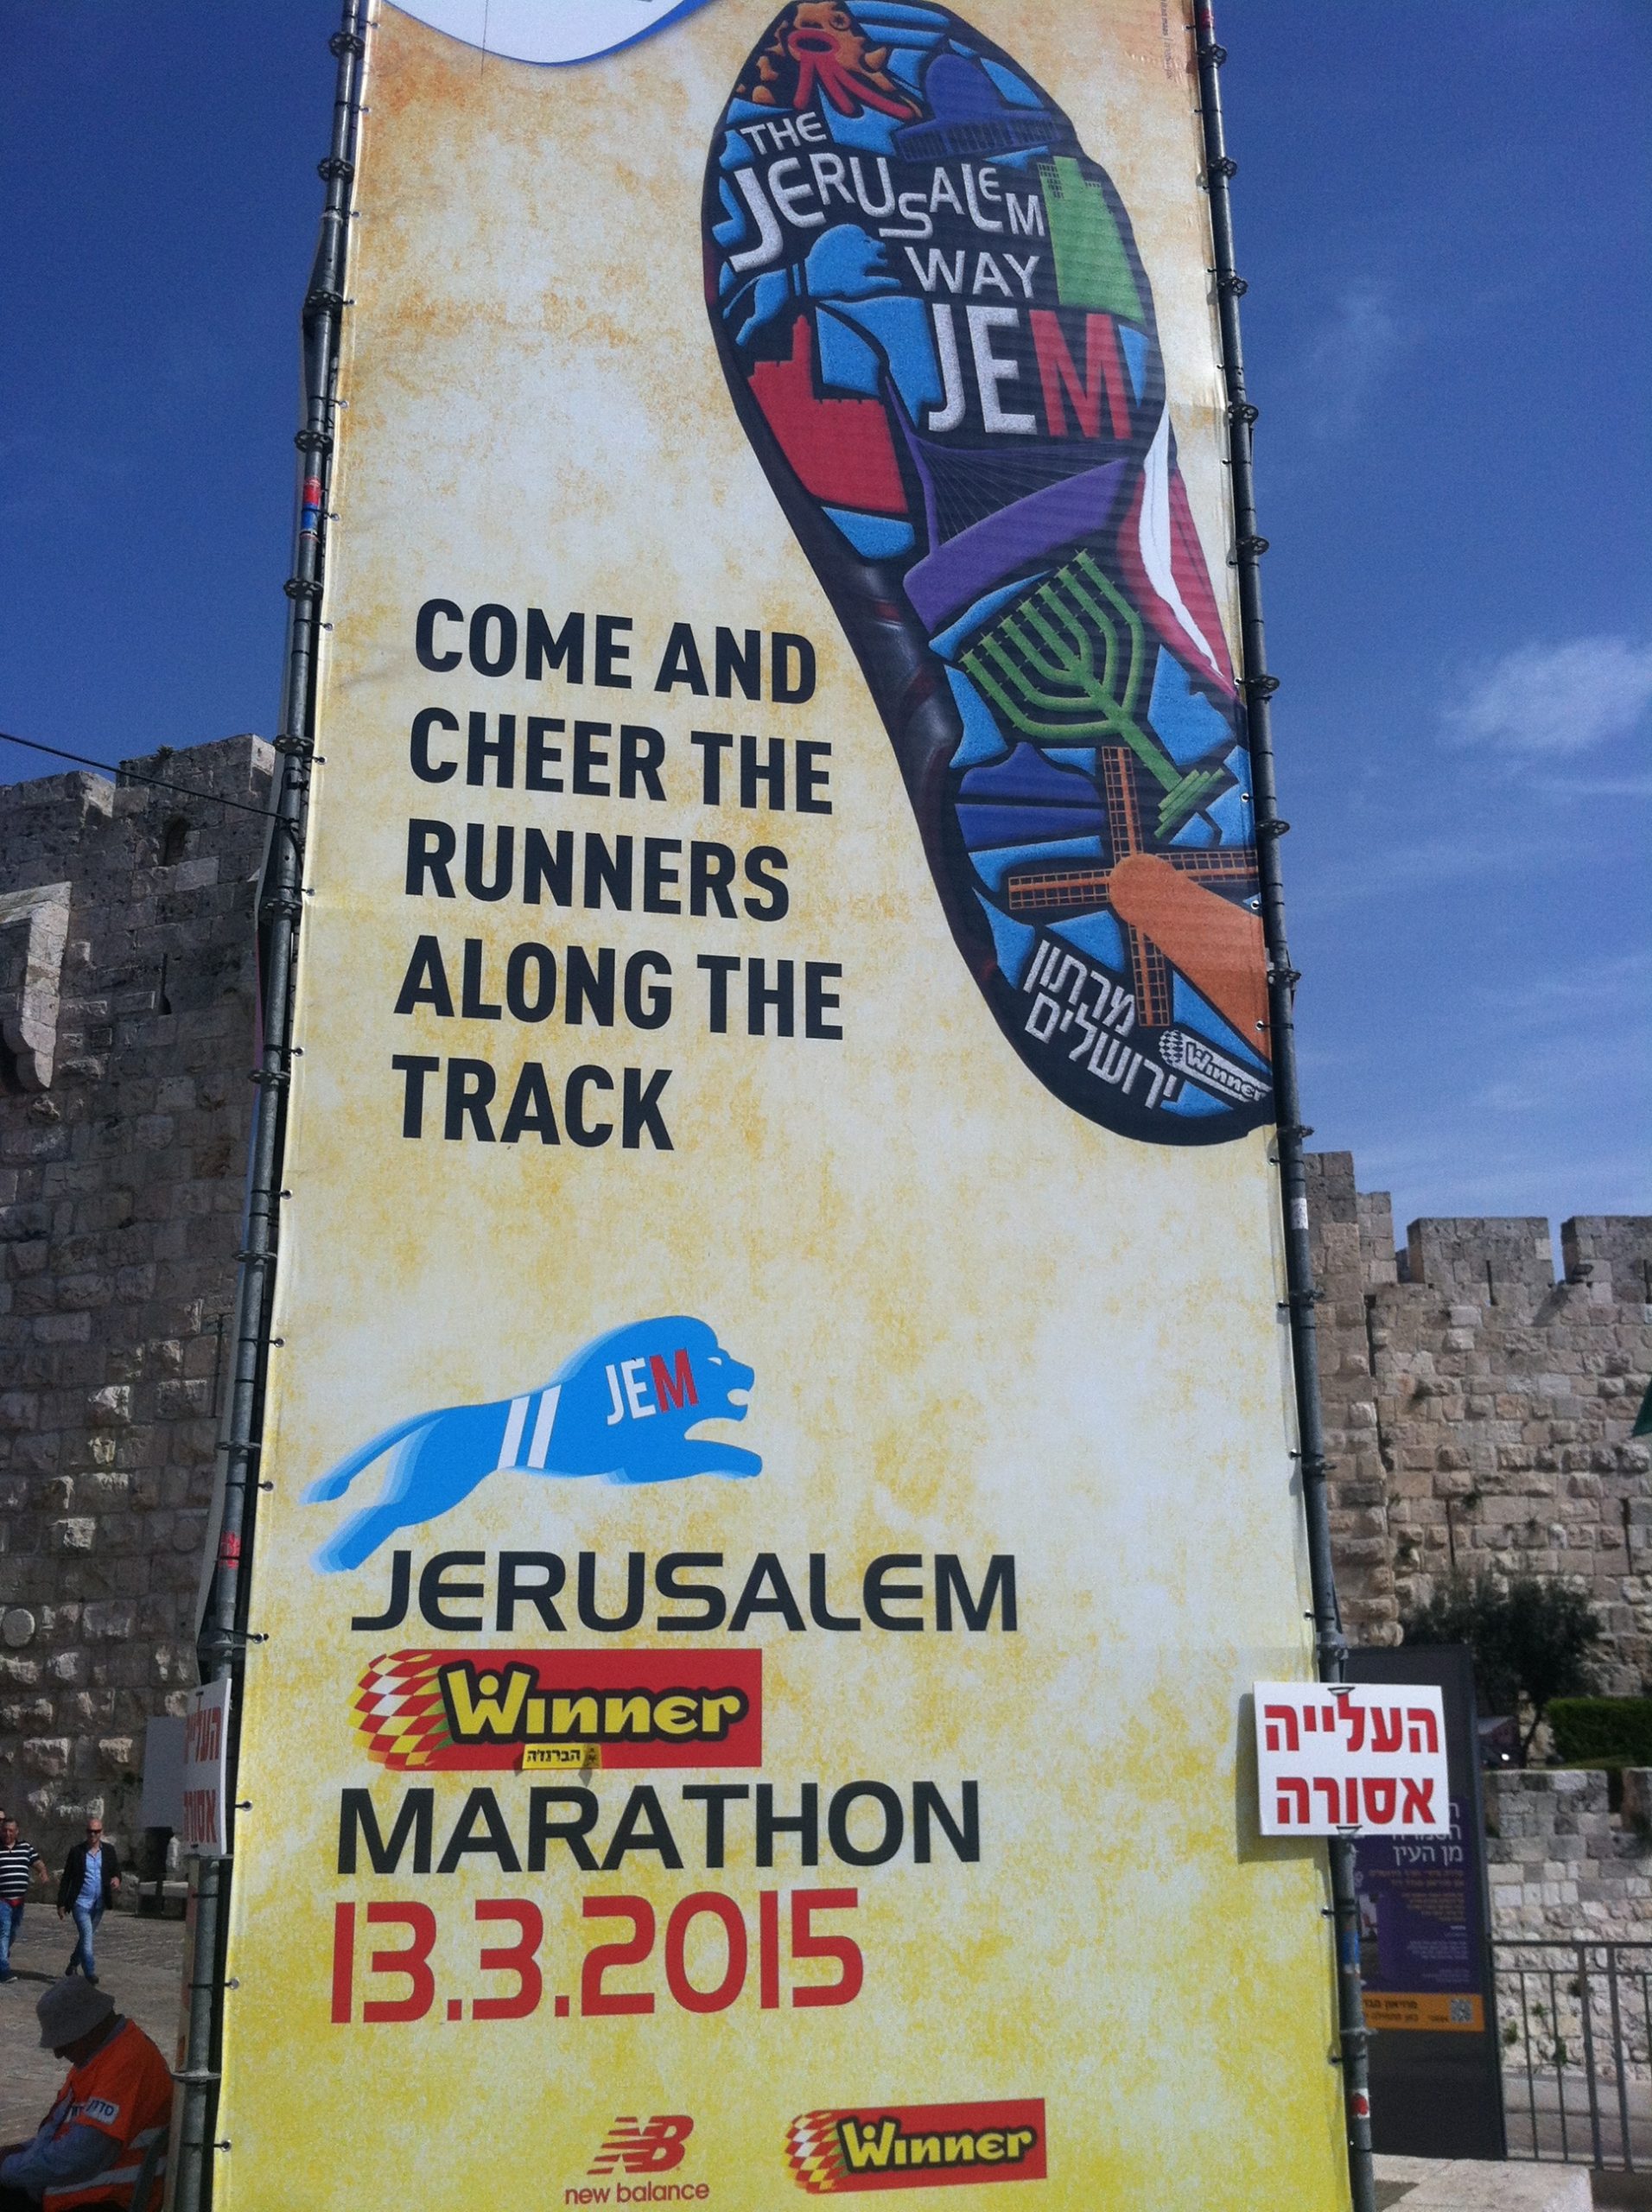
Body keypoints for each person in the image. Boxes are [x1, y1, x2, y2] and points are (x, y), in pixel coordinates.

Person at [0, 1978, 170, 2211]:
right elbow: (62, 2131)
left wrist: (8, 2169)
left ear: (88, 2029)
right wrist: (22, 2150)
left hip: (109, 2200)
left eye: (64, 2043)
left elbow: (83, 2155)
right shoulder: (98, 2056)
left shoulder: (127, 2060)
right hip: (75, 2193)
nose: (59, 2054)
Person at [55, 1822, 120, 1986]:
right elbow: (67, 1878)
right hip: (80, 1903)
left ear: (101, 1832)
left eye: (96, 1832)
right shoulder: (77, 1852)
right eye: (90, 1832)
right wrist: (61, 1903)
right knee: (87, 1936)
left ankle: (72, 1964)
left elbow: (116, 1871)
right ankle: (90, 1972)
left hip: (98, 1903)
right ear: (86, 1832)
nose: (93, 1835)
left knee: (87, 1936)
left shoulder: (109, 1851)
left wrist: (117, 1879)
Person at [0, 1817, 49, 1981]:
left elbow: (37, 1862)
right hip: (2, 1900)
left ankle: (2, 1956)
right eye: (5, 1830)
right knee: (4, 1933)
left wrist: (43, 1872)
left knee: (12, 1933)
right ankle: (4, 1971)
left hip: (19, 1902)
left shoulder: (25, 1848)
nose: (8, 1833)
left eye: (11, 1830)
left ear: (17, 1832)